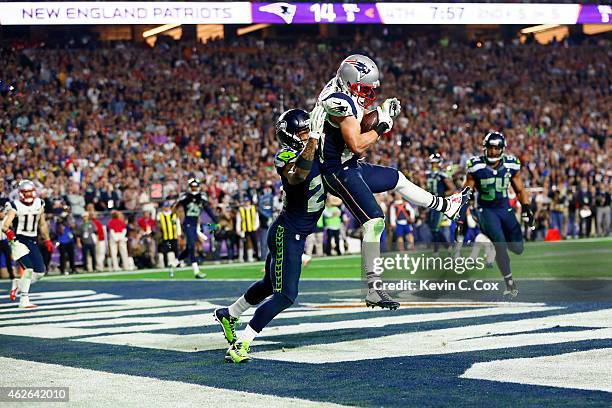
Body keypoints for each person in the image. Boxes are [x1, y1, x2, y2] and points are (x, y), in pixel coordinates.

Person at [315, 54, 470, 309]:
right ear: (350, 81)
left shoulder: (344, 90)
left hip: (349, 165)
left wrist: (378, 113)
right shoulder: (337, 100)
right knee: (374, 221)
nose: (367, 92)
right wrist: (381, 125)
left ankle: (447, 207)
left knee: (397, 177)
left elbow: (358, 126)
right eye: (363, 87)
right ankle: (374, 288)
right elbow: (356, 144)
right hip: (335, 170)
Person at [214, 106, 326, 363]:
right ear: (289, 136)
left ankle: (229, 313)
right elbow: (298, 176)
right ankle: (242, 343)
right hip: (288, 233)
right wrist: (313, 140)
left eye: (310, 128)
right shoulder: (285, 155)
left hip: (292, 231)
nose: (309, 134)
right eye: (303, 131)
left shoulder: (315, 148)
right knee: (286, 294)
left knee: (268, 285)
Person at [458, 132, 534, 299]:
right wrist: (462, 214)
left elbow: (520, 190)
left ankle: (497, 246)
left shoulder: (511, 165)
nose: (492, 152)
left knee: (518, 248)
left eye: (496, 148)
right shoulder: (476, 166)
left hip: (505, 209)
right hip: (486, 211)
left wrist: (527, 206)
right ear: (485, 148)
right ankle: (510, 283)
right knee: (500, 244)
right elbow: (466, 192)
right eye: (490, 148)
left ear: (502, 149)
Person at [1, 180, 54, 308]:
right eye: (27, 192)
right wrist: (10, 235)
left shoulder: (39, 203)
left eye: (31, 192)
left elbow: (42, 224)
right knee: (28, 269)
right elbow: (5, 226)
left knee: (40, 272)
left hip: (32, 240)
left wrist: (47, 239)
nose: (29, 195)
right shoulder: (14, 205)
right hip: (18, 239)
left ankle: (18, 284)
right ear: (21, 193)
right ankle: (23, 300)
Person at [174, 178, 218, 278]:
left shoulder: (202, 197)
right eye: (192, 187)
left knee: (190, 247)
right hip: (188, 223)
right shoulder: (185, 197)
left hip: (195, 224)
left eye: (195, 187)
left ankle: (174, 263)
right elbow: (176, 206)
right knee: (192, 247)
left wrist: (216, 221)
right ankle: (196, 271)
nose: (194, 189)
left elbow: (208, 210)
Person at [426, 153, 455, 255]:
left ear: (439, 163)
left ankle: (436, 251)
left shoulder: (442, 175)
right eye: (432, 163)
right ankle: (447, 246)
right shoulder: (428, 174)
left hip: (439, 204)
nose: (433, 165)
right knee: (433, 229)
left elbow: (452, 189)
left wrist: (441, 196)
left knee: (436, 228)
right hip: (430, 204)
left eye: (435, 163)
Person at [157, 202, 181, 268]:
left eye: (167, 206)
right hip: (165, 237)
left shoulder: (173, 215)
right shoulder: (160, 215)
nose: (166, 208)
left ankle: (177, 263)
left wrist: (179, 234)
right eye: (165, 207)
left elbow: (177, 224)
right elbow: (158, 225)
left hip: (173, 236)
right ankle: (166, 263)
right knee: (165, 250)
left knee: (176, 250)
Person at [236, 197, 259, 263]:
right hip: (244, 229)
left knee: (255, 243)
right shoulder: (241, 209)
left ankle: (257, 256)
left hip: (252, 228)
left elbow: (256, 218)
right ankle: (245, 257)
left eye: (248, 201)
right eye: (245, 201)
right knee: (245, 244)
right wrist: (238, 229)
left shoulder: (253, 208)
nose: (247, 203)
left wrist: (256, 227)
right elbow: (239, 220)